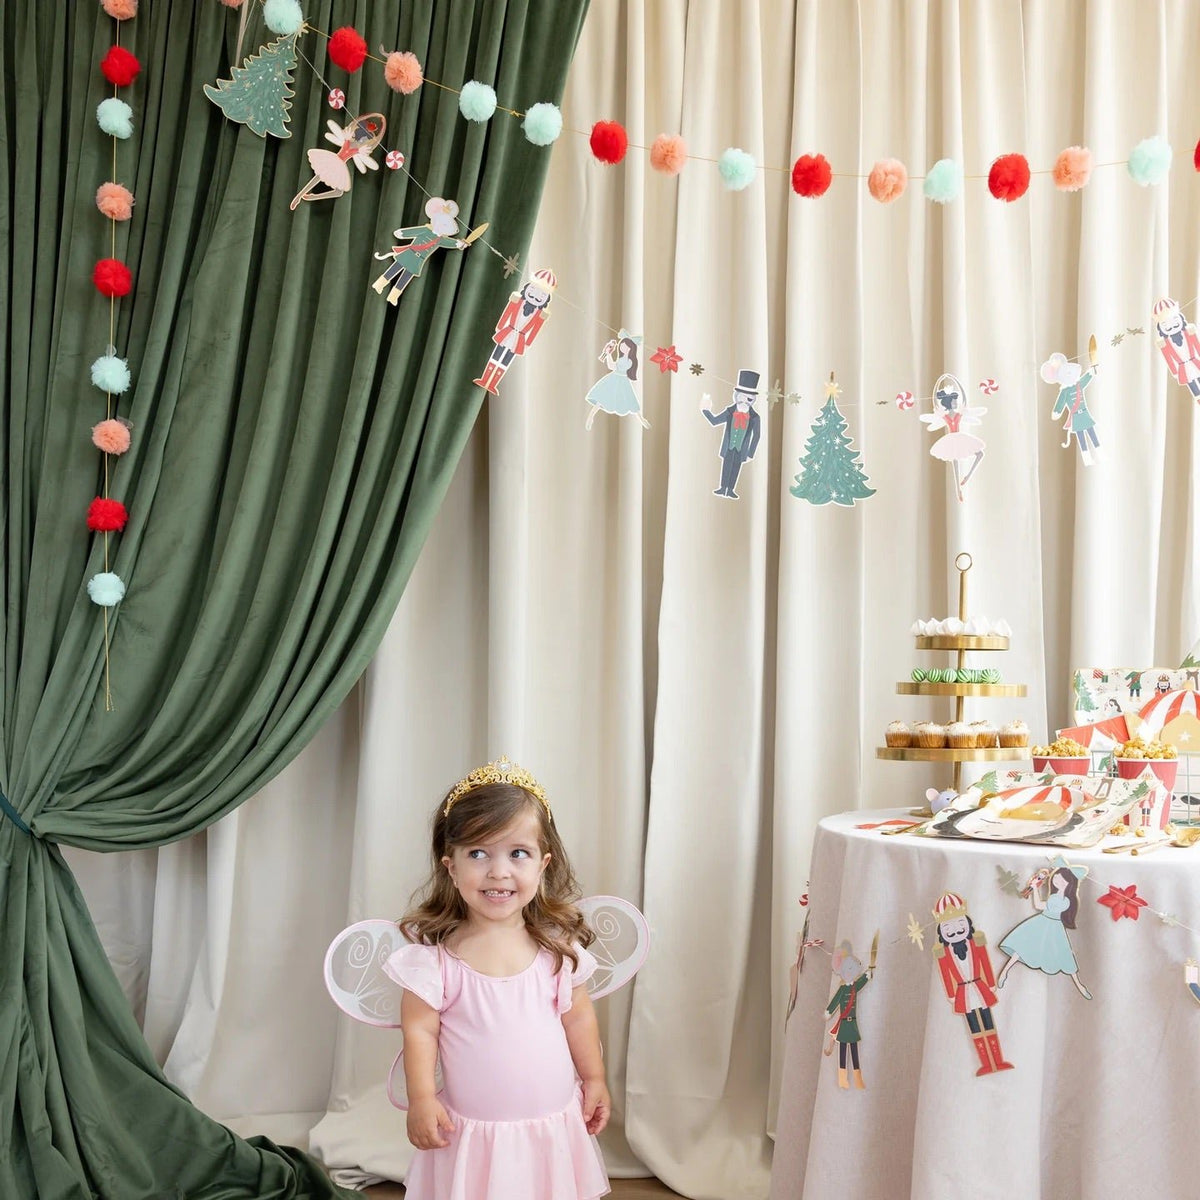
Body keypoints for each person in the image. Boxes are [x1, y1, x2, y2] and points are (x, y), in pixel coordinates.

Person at [385, 757, 610, 1200]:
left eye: (517, 853)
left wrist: (595, 1078)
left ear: (542, 864)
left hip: (550, 1122)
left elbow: (579, 1019)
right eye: (478, 853)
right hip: (473, 1130)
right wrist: (422, 1099)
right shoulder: (437, 963)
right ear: (451, 866)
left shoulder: (555, 950)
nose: (498, 871)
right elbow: (419, 1032)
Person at [932, 892, 1014, 1076]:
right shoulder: (943, 953)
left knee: (988, 1023)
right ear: (941, 932)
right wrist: (952, 994)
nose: (955, 930)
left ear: (967, 923)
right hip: (962, 991)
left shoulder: (976, 943)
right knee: (975, 1028)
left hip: (979, 987)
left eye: (959, 923)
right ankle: (985, 1063)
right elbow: (946, 974)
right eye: (948, 927)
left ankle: (998, 1061)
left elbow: (985, 962)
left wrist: (991, 983)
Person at [997, 859, 1091, 999]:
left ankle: (1079, 985)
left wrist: (1035, 889)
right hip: (1042, 921)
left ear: (1069, 884)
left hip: (1053, 925)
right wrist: (1035, 888)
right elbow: (1039, 905)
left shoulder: (1065, 901)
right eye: (1056, 878)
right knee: (1022, 946)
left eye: (1061, 880)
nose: (1057, 882)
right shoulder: (1054, 896)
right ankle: (1004, 972)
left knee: (1064, 956)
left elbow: (1041, 906)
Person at [372, 198, 470, 305]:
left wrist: (459, 244)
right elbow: (414, 231)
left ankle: (393, 296)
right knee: (396, 267)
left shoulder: (440, 239)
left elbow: (451, 243)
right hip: (411, 253)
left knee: (406, 276)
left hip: (419, 259)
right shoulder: (426, 230)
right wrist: (402, 233)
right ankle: (379, 284)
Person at [474, 269, 557, 394]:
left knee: (505, 361)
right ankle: (485, 379)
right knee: (495, 356)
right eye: (534, 289)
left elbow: (535, 330)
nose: (536, 295)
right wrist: (500, 326)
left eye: (542, 294)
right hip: (508, 331)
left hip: (520, 338)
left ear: (546, 299)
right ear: (528, 287)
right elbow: (507, 312)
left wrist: (528, 342)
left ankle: (492, 384)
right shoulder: (516, 300)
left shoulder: (540, 315)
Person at [919, 372, 986, 502]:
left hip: (960, 437)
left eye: (956, 400)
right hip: (951, 439)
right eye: (954, 400)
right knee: (955, 462)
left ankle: (967, 476)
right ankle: (958, 490)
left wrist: (955, 379)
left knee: (980, 454)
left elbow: (965, 399)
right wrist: (940, 382)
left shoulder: (958, 414)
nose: (956, 402)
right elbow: (935, 402)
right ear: (949, 402)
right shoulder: (945, 416)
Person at [703, 369, 761, 498]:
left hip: (742, 449)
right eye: (743, 397)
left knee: (736, 468)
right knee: (726, 466)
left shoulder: (755, 417)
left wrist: (751, 453)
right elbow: (715, 421)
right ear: (737, 396)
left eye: (749, 398)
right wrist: (706, 410)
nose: (745, 401)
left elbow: (757, 435)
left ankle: (730, 489)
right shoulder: (730, 412)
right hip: (728, 446)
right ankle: (723, 487)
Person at [824, 940, 869, 1089]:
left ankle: (858, 1078)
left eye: (853, 969)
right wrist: (829, 1011)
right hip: (844, 1024)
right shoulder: (843, 989)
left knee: (854, 1051)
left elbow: (863, 981)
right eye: (848, 969)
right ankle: (842, 1079)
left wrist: (868, 975)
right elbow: (836, 1000)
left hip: (852, 1023)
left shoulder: (855, 986)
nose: (851, 972)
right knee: (843, 1051)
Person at [583, 331, 648, 429]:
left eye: (625, 347)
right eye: (622, 346)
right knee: (602, 398)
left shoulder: (629, 361)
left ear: (630, 349)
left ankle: (641, 419)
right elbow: (612, 366)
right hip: (614, 378)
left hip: (622, 381)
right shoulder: (621, 359)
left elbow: (617, 367)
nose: (622, 348)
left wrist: (610, 357)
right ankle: (591, 417)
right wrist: (608, 354)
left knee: (630, 400)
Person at [1153, 297, 1200, 399]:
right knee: (1193, 387)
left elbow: (1197, 346)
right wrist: (1174, 371)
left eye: (1174, 320)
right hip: (1183, 367)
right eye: (1165, 324)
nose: (1171, 326)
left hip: (1195, 361)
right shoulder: (1164, 343)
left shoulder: (1189, 331)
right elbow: (1168, 358)